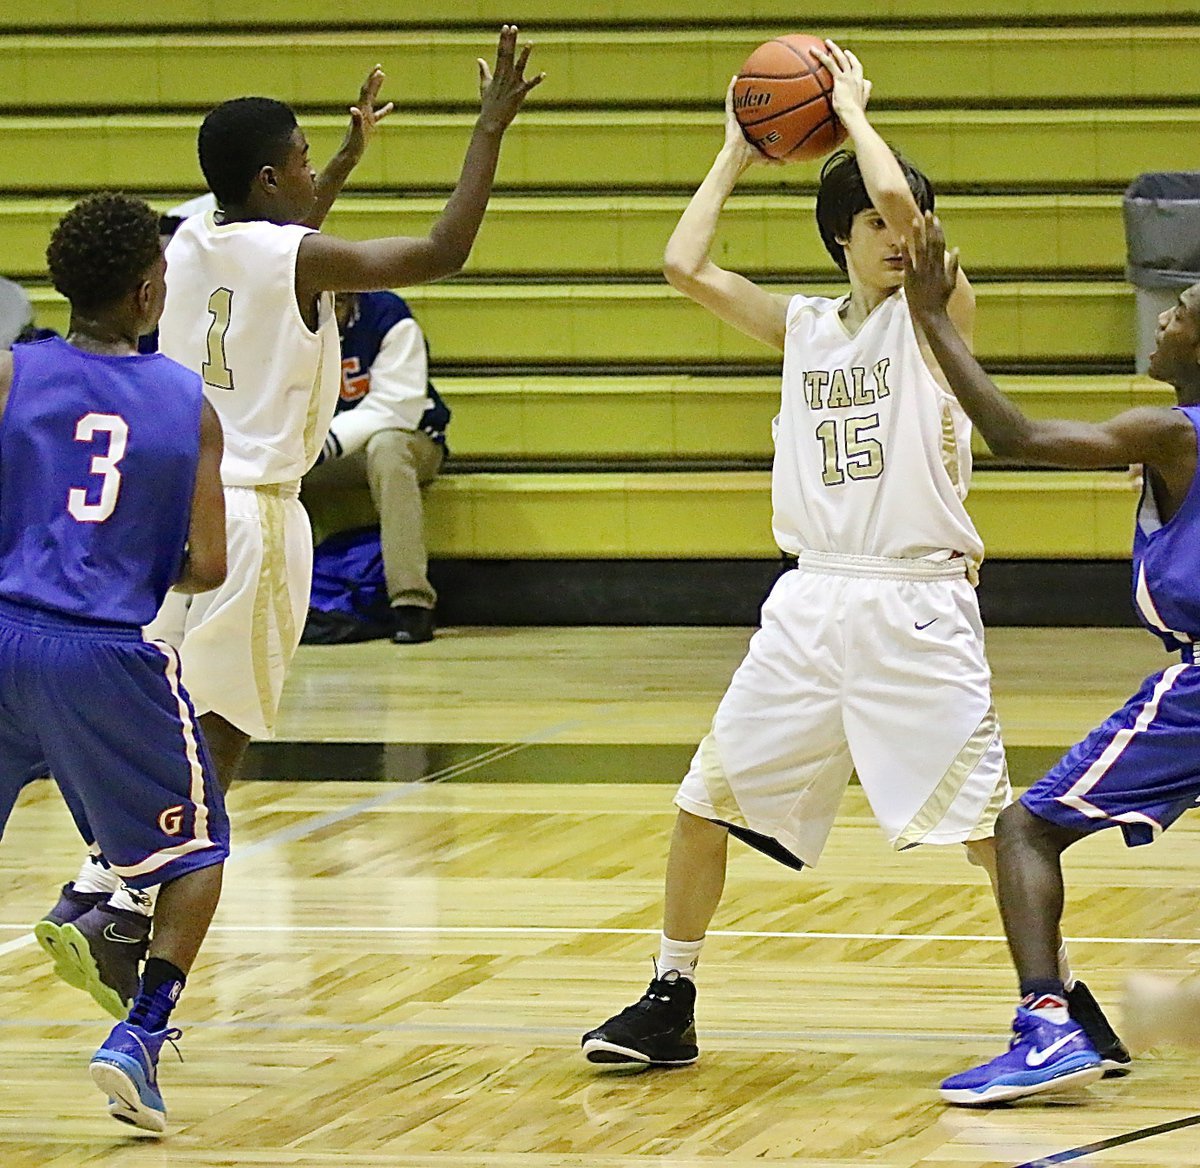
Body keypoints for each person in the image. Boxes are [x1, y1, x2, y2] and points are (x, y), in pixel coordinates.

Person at [581, 42, 1125, 1073]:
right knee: (705, 802)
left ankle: (1055, 1005)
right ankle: (670, 996)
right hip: (809, 604)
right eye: (875, 220)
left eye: (906, 219)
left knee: (983, 828)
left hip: (916, 603)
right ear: (839, 235)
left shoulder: (934, 314)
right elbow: (682, 266)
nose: (896, 232)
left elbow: (904, 207)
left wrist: (853, 110)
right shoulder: (802, 328)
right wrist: (736, 155)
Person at [36, 28, 541, 1015]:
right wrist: (489, 129)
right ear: (271, 177)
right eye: (307, 157)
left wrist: (345, 159)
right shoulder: (301, 257)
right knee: (214, 752)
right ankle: (126, 923)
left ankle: (105, 878)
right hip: (255, 521)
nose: (316, 170)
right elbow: (444, 249)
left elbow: (281, 245)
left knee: (158, 720)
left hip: (159, 515)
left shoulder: (179, 237)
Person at [905, 212, 1200, 1105]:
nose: (1164, 317)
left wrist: (933, 321)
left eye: (1183, 309)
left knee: (1025, 828)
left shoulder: (1174, 430)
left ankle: (1046, 1027)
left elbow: (1019, 438)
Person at [0, 192, 228, 1132]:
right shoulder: (187, 403)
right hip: (100, 653)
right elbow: (207, 565)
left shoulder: (13, 374)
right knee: (197, 851)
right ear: (146, 293)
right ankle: (139, 1035)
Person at [301, 289, 450, 645]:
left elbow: (397, 405)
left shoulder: (388, 315)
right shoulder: (285, 323)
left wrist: (325, 443)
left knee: (387, 447)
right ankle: (291, 597)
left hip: (411, 438)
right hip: (328, 449)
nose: (329, 312)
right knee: (270, 467)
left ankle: (411, 602)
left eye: (337, 303)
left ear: (352, 297)